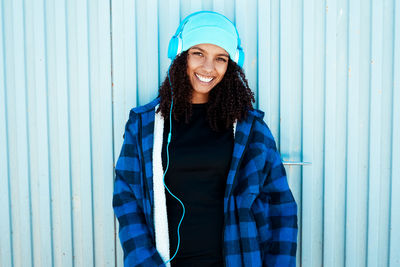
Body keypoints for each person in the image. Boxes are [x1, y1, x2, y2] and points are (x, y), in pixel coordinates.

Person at [113, 11, 298, 267]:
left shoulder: (250, 130)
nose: (208, 67)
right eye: (198, 53)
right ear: (180, 55)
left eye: (220, 58)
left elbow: (281, 209)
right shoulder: (144, 125)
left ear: (231, 65)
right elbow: (127, 201)